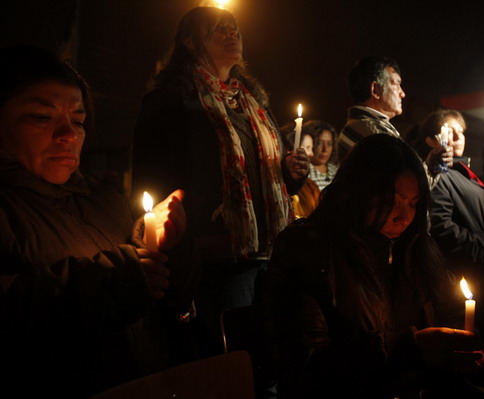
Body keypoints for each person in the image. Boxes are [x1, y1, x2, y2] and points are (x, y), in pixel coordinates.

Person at [0, 45, 186, 397]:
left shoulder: (103, 200)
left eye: (79, 120)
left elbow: (160, 302)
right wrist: (116, 277)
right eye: (42, 116)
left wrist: (160, 248)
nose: (68, 134)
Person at [132, 6, 309, 357]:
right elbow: (153, 183)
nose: (232, 35)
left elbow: (270, 182)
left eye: (235, 30)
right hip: (216, 259)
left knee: (274, 358)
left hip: (269, 254)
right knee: (233, 362)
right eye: (218, 30)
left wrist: (290, 174)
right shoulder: (171, 100)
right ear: (189, 41)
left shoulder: (252, 102)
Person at [266, 134, 484, 399]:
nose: (404, 216)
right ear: (360, 191)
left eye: (414, 204)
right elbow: (306, 367)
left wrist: (463, 348)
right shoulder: (309, 248)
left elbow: (452, 311)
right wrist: (408, 349)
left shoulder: (417, 248)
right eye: (393, 200)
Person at [412, 109, 484, 370]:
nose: (460, 137)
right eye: (451, 131)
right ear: (431, 140)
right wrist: (482, 248)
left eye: (462, 131)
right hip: (474, 271)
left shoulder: (463, 172)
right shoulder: (440, 177)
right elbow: (442, 225)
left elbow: (473, 217)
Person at [337, 56, 452, 187]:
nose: (402, 93)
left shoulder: (361, 126)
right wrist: (432, 166)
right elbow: (408, 184)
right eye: (396, 84)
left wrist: (432, 165)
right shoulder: (372, 131)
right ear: (375, 90)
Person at [281, 121, 320, 218]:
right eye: (307, 147)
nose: (311, 154)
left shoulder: (311, 186)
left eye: (312, 148)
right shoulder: (280, 185)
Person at [305, 119, 339, 191]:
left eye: (329, 144)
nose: (325, 149)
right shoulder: (304, 172)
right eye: (319, 143)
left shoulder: (337, 172)